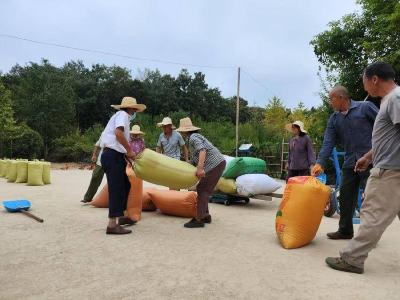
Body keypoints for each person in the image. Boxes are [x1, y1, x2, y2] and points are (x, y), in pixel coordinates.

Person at [326, 62, 400, 274]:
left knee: (371, 213)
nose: (364, 86)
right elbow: (390, 139)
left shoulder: (395, 98)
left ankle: (352, 259)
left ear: (374, 79)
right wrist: (368, 157)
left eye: (364, 81)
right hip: (388, 166)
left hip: (390, 172)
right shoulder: (389, 100)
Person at [311, 85, 379, 240]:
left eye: (331, 98)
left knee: (372, 199)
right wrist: (320, 163)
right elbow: (328, 142)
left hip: (371, 160)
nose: (330, 102)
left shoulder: (365, 108)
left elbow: (384, 127)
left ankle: (370, 236)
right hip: (350, 162)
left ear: (341, 97)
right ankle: (345, 230)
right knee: (345, 196)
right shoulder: (334, 119)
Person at [100, 96, 146, 235]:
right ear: (131, 108)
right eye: (135, 109)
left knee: (126, 185)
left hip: (116, 155)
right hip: (112, 155)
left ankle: (121, 216)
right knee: (116, 189)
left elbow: (119, 140)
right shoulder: (122, 115)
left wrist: (127, 156)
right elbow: (118, 133)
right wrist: (130, 150)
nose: (135, 111)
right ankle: (112, 225)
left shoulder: (121, 116)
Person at [176, 117, 226, 228]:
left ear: (184, 131)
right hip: (217, 164)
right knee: (203, 189)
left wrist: (199, 168)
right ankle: (205, 215)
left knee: (203, 189)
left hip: (214, 165)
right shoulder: (192, 138)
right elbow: (196, 156)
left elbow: (202, 150)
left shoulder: (193, 137)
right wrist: (188, 163)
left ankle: (199, 219)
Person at [81, 139, 105, 203]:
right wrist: (94, 155)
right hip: (101, 160)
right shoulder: (105, 132)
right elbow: (97, 144)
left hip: (115, 161)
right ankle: (88, 198)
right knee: (95, 176)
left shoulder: (123, 134)